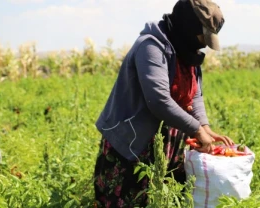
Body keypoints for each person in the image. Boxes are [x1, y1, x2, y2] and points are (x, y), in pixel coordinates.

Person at [93, 0, 233, 207]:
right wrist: (196, 129)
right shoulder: (151, 47)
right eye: (202, 35)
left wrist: (204, 126)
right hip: (134, 142)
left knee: (162, 197)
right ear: (188, 26)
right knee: (129, 198)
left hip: (168, 142)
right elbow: (158, 101)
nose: (204, 43)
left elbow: (195, 95)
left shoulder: (186, 50)